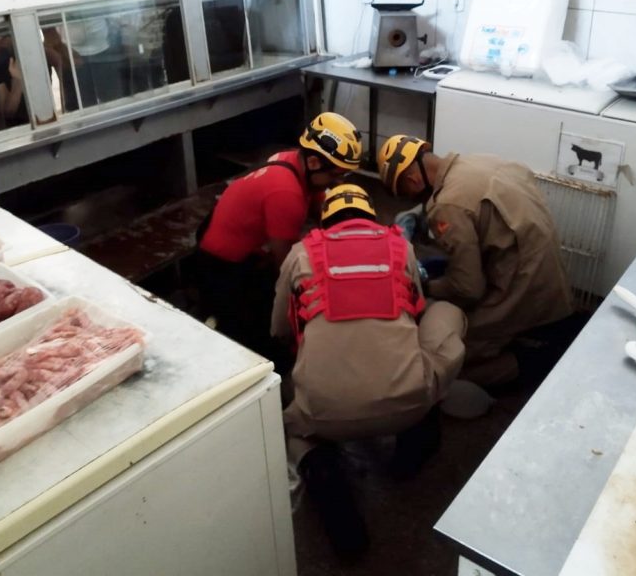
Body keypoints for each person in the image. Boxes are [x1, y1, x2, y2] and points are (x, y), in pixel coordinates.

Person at [272, 184, 466, 559]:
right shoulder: (402, 248)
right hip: (408, 399)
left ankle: (320, 468)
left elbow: (280, 328)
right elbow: (418, 306)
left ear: (325, 219)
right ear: (370, 214)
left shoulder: (300, 254)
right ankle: (417, 439)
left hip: (324, 414)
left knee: (294, 426)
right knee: (446, 314)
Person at [378, 135, 573, 386]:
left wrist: (424, 286)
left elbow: (468, 288)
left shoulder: (448, 204)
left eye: (406, 195)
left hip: (524, 290)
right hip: (551, 275)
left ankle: (528, 364)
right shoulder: (479, 162)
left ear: (413, 180)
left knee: (443, 358)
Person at [195, 112, 362, 361]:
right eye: (335, 175)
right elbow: (286, 268)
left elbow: (322, 208)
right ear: (315, 163)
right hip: (222, 269)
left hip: (236, 247)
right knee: (266, 345)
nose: (337, 183)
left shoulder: (294, 160)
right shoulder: (287, 194)